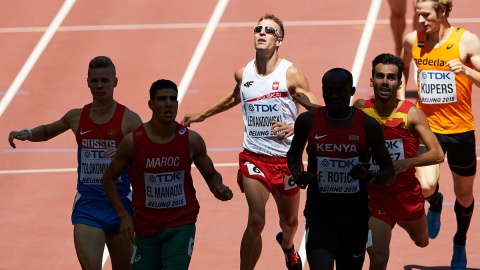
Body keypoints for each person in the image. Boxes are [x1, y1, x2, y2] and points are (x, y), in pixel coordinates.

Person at [181, 13, 319, 270]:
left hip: (286, 161)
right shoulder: (243, 73)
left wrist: (294, 126)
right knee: (256, 220)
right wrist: (202, 114)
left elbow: (317, 110)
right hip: (254, 158)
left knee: (289, 223)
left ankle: (288, 246)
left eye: (269, 30)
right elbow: (234, 97)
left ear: (279, 40)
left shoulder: (291, 74)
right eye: (258, 29)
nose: (262, 33)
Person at [8, 56, 143, 270]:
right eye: (94, 80)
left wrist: (123, 153)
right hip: (87, 205)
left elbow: (146, 155)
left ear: (115, 82)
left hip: (120, 204)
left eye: (105, 81)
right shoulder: (76, 117)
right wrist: (27, 133)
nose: (99, 86)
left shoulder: (129, 119)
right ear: (87, 82)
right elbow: (47, 131)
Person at [101, 79, 233, 270]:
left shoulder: (191, 140)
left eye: (173, 99)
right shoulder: (133, 142)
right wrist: (123, 216)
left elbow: (211, 174)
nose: (169, 104)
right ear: (151, 105)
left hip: (181, 224)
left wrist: (218, 188)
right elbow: (108, 179)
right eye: (162, 99)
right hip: (145, 228)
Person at [287, 67, 395, 270]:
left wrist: (369, 176)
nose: (333, 96)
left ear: (352, 91)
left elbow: (388, 172)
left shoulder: (368, 126)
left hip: (355, 218)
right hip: (320, 216)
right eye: (328, 90)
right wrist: (297, 172)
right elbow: (293, 153)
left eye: (340, 91)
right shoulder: (308, 121)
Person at [401, 0, 480, 268]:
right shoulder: (413, 40)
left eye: (426, 15)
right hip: (428, 128)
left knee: (465, 195)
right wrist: (402, 107)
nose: (420, 20)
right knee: (425, 186)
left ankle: (459, 241)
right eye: (418, 14)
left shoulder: (467, 41)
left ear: (443, 11)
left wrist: (467, 70)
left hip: (460, 131)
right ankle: (434, 202)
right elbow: (401, 71)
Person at [352, 53, 444, 270]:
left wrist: (405, 163)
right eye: (380, 76)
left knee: (422, 241)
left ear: (399, 82)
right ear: (372, 80)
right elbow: (332, 123)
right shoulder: (360, 109)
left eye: (391, 77)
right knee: (379, 256)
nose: (385, 81)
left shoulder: (411, 114)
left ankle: (435, 201)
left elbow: (438, 153)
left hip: (406, 197)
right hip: (374, 199)